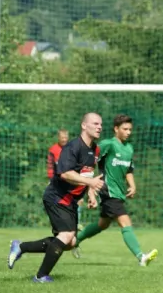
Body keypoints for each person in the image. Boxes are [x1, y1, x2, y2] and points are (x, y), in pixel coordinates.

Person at [7, 112, 105, 283]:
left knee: (70, 242)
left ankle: (20, 247)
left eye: (101, 124)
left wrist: (90, 193)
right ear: (84, 125)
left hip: (70, 201)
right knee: (66, 235)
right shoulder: (73, 147)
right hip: (57, 196)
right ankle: (40, 276)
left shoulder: (95, 149)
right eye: (95, 124)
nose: (99, 127)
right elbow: (66, 174)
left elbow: (87, 173)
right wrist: (90, 183)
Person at [73, 114, 158, 266]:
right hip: (108, 191)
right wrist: (91, 188)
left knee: (102, 224)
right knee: (125, 222)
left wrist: (132, 185)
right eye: (125, 129)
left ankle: (74, 240)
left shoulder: (129, 148)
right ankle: (141, 257)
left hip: (119, 192)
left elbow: (129, 169)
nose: (128, 132)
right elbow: (89, 163)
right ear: (116, 129)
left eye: (130, 129)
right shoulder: (108, 144)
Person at [47, 129, 84, 232]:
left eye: (65, 137)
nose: (64, 139)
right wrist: (50, 179)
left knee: (77, 201)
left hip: (71, 180)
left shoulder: (73, 148)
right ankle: (58, 223)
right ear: (58, 138)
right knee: (57, 202)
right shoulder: (53, 150)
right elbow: (50, 166)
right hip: (58, 182)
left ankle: (76, 223)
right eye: (62, 137)